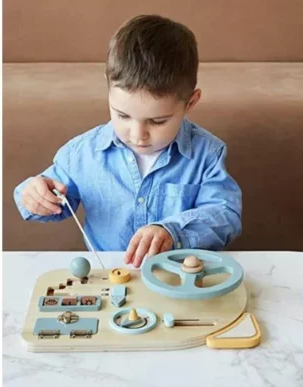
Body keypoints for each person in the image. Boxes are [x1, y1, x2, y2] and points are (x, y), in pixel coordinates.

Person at [13, 14, 242, 268]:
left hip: (178, 279)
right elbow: (48, 200)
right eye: (122, 115)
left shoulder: (207, 153)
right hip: (108, 277)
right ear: (108, 89)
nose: (137, 134)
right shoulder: (82, 154)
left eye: (157, 121)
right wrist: (34, 195)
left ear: (190, 103)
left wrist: (173, 231)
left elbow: (226, 216)